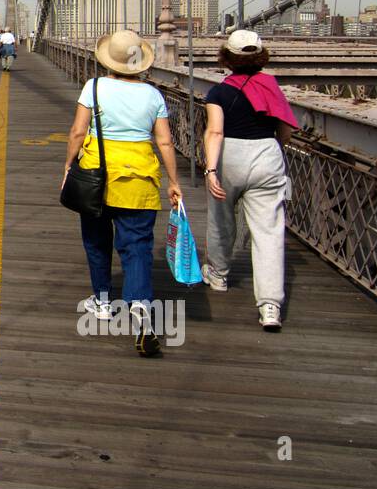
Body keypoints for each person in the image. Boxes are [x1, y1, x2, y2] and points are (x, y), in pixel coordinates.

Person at [62, 29, 183, 357]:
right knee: (138, 248)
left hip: (96, 178)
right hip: (140, 181)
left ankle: (101, 301)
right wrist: (174, 181)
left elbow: (78, 130)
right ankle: (141, 310)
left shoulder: (94, 87)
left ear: (109, 61)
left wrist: (67, 167)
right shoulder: (153, 96)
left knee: (97, 241)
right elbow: (165, 142)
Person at [201, 29, 298, 330]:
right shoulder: (271, 87)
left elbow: (215, 131)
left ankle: (218, 274)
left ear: (227, 58)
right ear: (260, 58)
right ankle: (270, 306)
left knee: (221, 218)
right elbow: (285, 130)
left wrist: (211, 169)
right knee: (268, 232)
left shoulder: (218, 93)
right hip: (266, 154)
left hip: (230, 155)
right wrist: (274, 149)